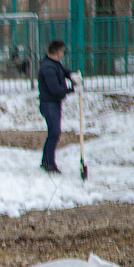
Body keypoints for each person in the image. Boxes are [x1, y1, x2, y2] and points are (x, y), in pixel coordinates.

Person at [38, 39, 75, 173]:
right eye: (63, 51)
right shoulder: (48, 68)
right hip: (49, 104)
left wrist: (71, 75)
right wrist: (72, 90)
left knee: (53, 133)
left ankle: (45, 162)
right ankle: (49, 164)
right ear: (58, 52)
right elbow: (56, 90)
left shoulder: (54, 63)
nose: (63, 54)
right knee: (54, 133)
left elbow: (62, 70)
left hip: (53, 104)